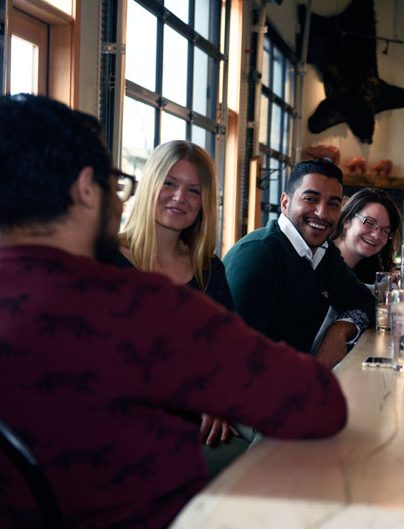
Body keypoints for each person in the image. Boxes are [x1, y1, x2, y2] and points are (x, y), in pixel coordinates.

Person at [0, 94, 347, 528]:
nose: (121, 201)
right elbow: (318, 401)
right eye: (116, 182)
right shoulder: (143, 307)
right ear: (87, 189)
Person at [116, 141, 235, 447]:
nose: (180, 197)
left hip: (195, 424)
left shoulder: (210, 272)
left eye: (194, 190)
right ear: (150, 184)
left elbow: (231, 352)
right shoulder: (104, 259)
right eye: (169, 183)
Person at [223, 159, 375, 369]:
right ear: (285, 203)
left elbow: (364, 300)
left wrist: (340, 330)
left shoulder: (323, 252)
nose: (322, 213)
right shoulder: (260, 255)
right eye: (311, 199)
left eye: (333, 204)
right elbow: (237, 356)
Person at [331, 187, 401, 284]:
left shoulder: (370, 268)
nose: (376, 235)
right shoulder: (320, 259)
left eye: (385, 230)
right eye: (369, 222)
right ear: (347, 220)